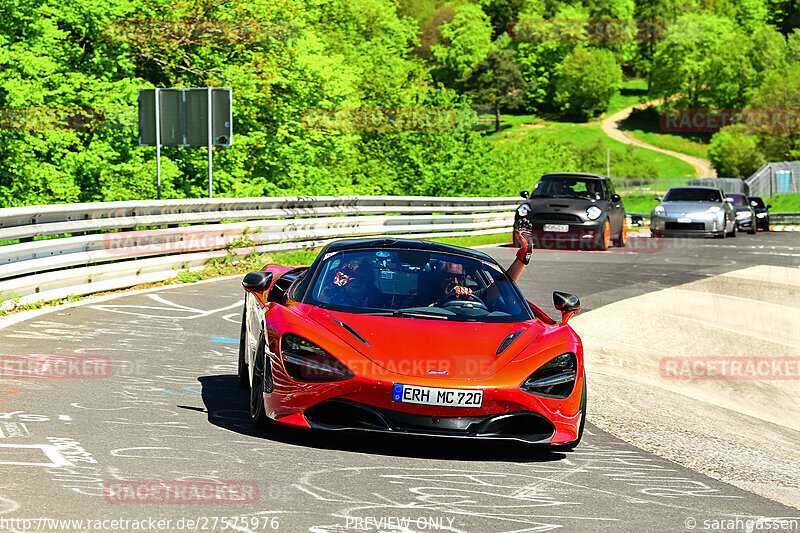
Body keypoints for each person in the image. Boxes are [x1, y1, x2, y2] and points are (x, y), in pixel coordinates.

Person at [430, 228, 533, 305]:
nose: (456, 282)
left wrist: (522, 259)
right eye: (449, 277)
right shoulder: (423, 294)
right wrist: (446, 299)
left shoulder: (471, 295)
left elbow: (503, 285)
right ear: (439, 276)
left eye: (460, 277)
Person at [318, 261, 384, 308]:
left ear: (369, 282)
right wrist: (335, 285)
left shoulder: (377, 300)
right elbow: (319, 303)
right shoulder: (334, 297)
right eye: (352, 277)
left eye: (362, 278)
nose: (356, 281)